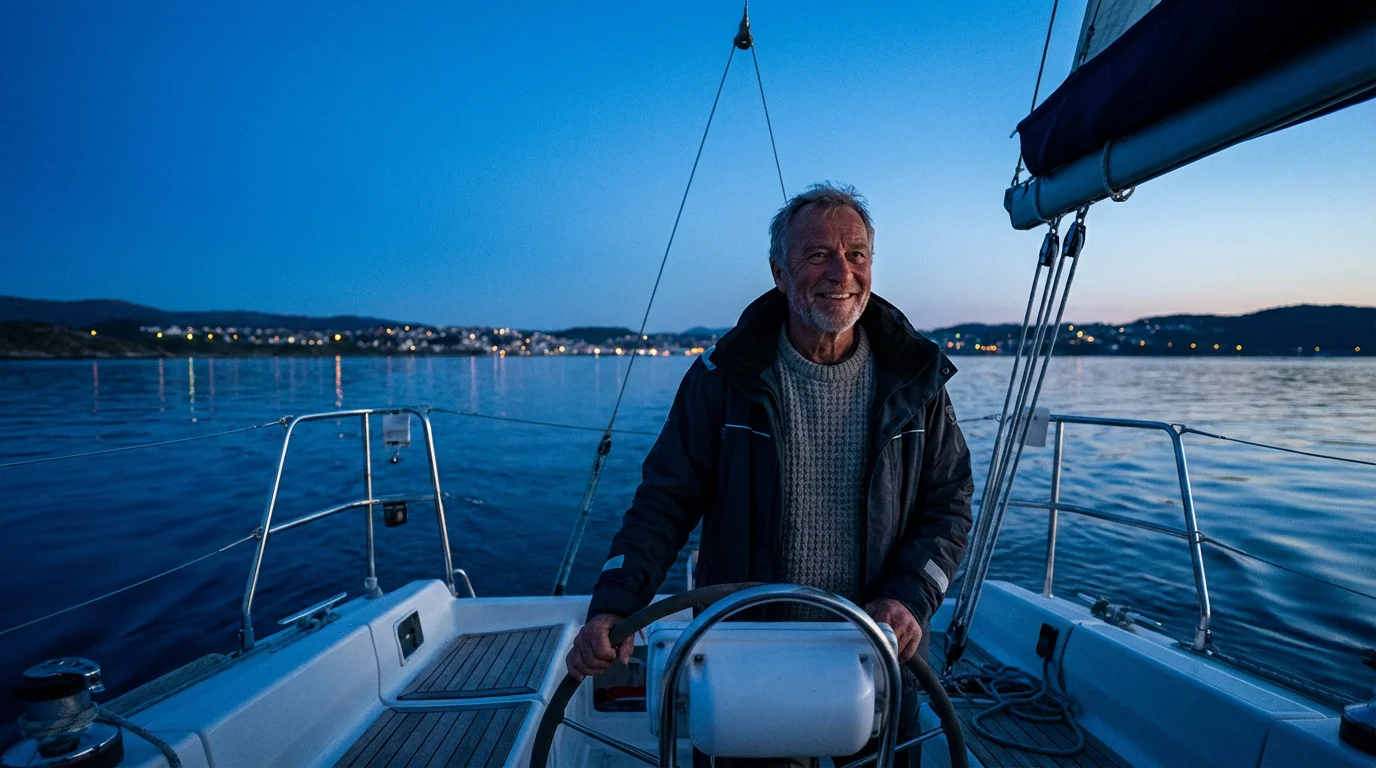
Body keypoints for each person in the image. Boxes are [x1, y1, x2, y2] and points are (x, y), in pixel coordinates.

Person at [567, 183, 975, 767]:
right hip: (749, 654)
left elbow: (950, 503)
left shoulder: (917, 381)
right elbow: (664, 503)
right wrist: (615, 604)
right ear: (780, 273)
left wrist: (910, 598)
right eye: (819, 255)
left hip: (877, 655)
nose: (842, 272)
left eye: (856, 254)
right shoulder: (721, 380)